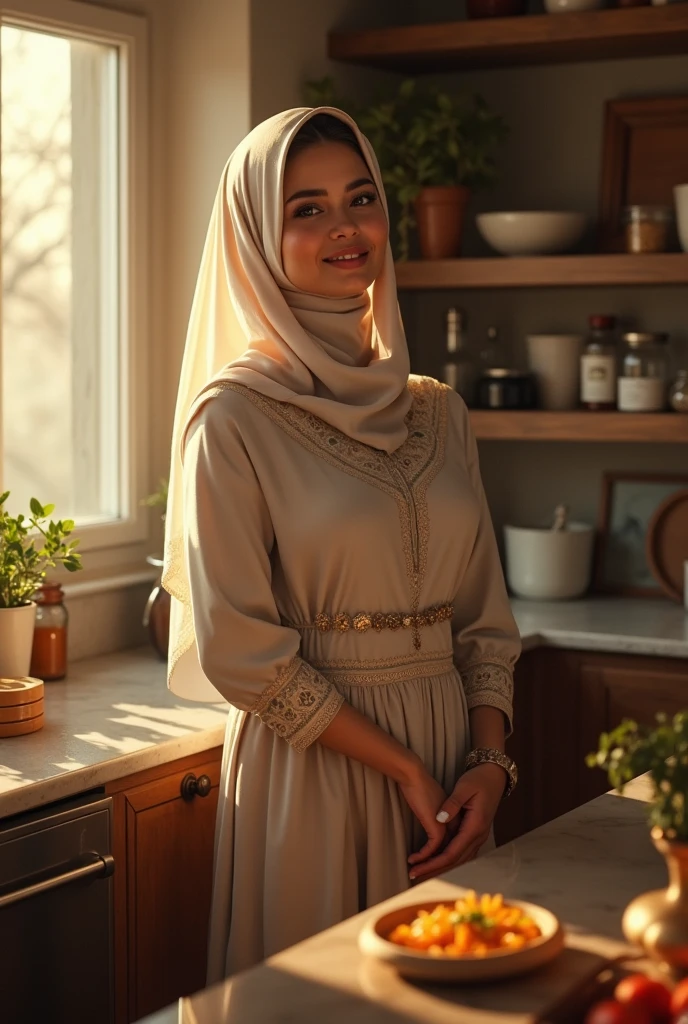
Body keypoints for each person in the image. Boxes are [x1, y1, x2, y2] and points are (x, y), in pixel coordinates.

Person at [162, 106, 521, 982]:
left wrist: (488, 763)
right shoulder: (233, 419)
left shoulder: (440, 410)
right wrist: (402, 767)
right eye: (306, 208)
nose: (345, 227)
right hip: (316, 771)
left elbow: (486, 622)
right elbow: (242, 654)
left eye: (359, 198)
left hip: (452, 775)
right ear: (256, 236)